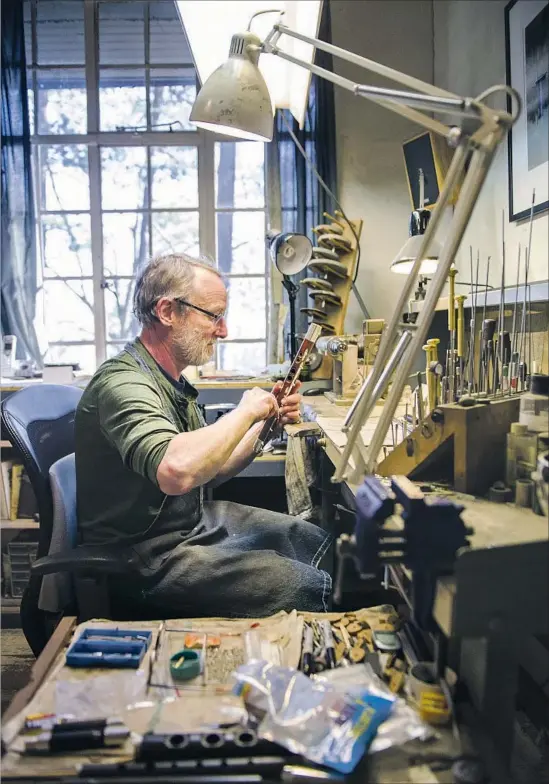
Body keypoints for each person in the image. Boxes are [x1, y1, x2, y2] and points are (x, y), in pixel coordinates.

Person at [75, 253, 332, 619]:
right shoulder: (124, 383)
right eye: (213, 316)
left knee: (310, 540)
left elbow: (212, 467)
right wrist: (245, 411)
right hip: (144, 556)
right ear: (167, 311)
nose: (223, 330)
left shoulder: (172, 380)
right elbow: (177, 471)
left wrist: (263, 428)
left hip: (189, 526)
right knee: (304, 585)